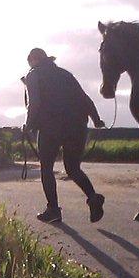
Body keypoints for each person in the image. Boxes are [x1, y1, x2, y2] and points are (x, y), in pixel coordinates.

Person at [23, 47, 106, 223]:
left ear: (33, 60)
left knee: (46, 168)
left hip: (51, 127)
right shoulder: (65, 74)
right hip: (77, 126)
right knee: (73, 168)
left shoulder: (33, 74)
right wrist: (96, 119)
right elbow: (84, 98)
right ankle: (93, 197)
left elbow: (34, 102)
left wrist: (29, 125)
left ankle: (53, 210)